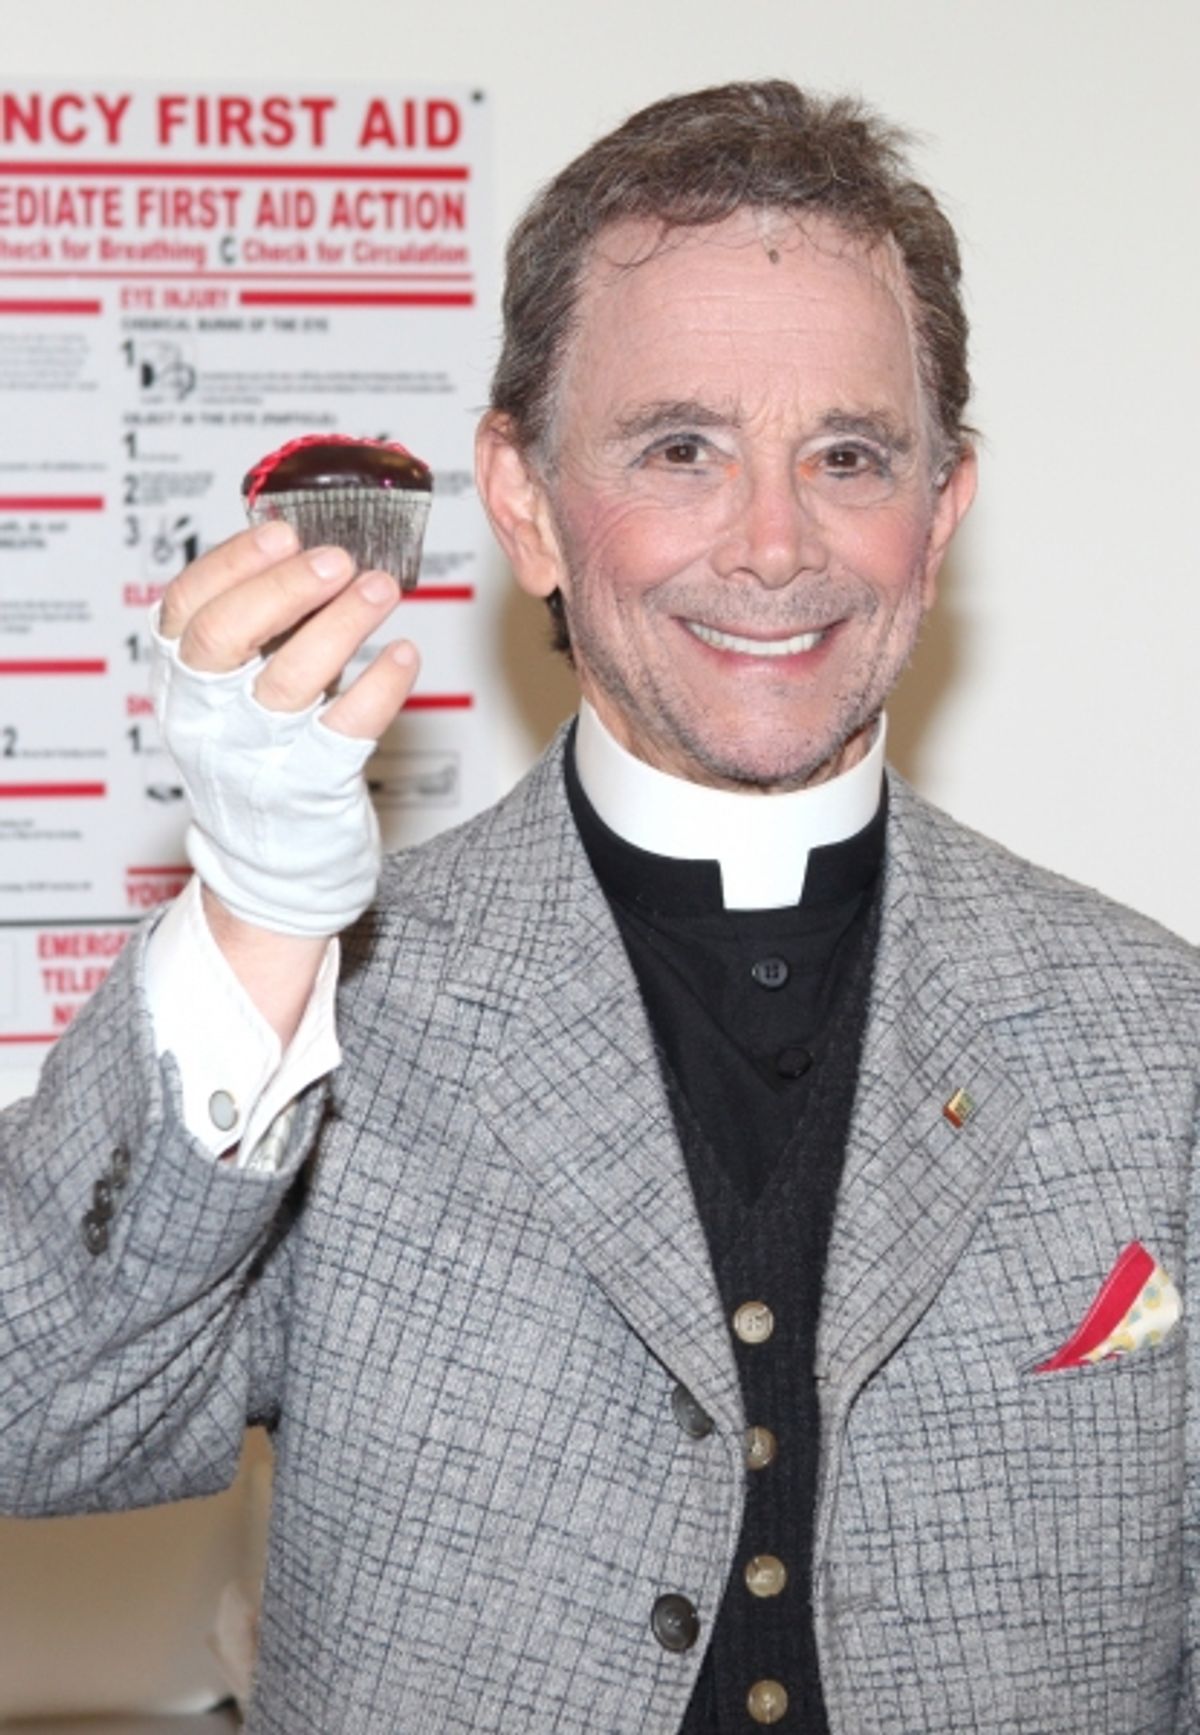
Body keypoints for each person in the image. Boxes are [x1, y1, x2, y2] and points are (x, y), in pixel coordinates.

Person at [2, 81, 1197, 1735]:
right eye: (680, 450)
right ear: (525, 504)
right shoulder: (327, 1016)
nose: (773, 546)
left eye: (848, 457)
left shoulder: (1158, 1037)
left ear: (939, 516)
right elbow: (38, 1416)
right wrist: (260, 924)